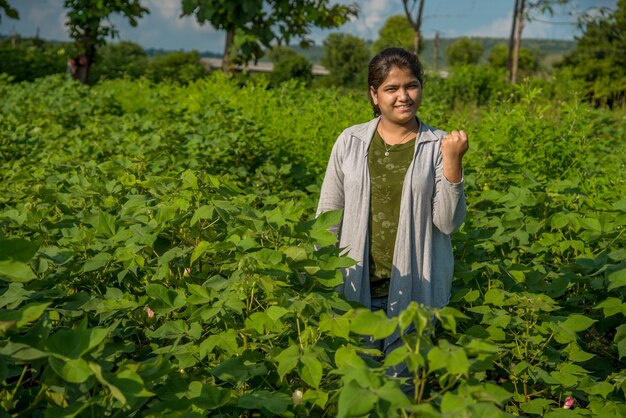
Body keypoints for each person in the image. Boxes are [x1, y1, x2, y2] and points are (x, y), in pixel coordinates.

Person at [316, 47, 468, 356]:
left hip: (416, 292)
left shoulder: (438, 146)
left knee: (403, 391)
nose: (404, 96)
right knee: (359, 384)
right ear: (374, 95)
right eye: (391, 88)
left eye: (411, 85)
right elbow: (328, 215)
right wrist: (320, 278)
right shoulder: (351, 141)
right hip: (356, 288)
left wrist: (453, 163)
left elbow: (448, 224)